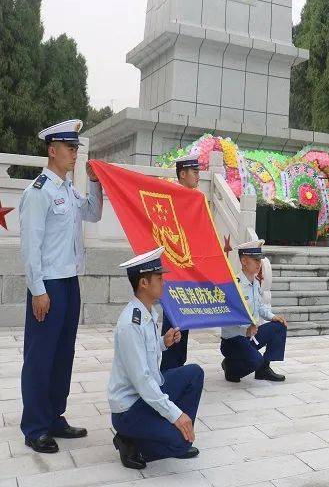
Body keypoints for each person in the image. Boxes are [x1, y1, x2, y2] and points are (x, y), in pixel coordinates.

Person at [19, 119, 103, 453]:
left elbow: (94, 214)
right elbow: (30, 246)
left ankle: (54, 416)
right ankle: (35, 426)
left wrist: (96, 184)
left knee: (62, 354)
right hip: (49, 284)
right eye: (70, 148)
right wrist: (37, 289)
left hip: (70, 282)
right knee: (40, 356)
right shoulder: (38, 192)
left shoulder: (68, 190)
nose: (74, 154)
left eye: (76, 149)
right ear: (52, 151)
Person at [108, 247, 204, 469]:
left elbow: (146, 354)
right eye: (159, 278)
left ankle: (169, 433)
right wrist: (175, 415)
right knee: (180, 442)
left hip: (146, 396)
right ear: (143, 283)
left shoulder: (149, 312)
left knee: (194, 373)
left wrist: (164, 342)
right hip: (129, 409)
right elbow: (142, 380)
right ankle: (129, 442)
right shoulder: (130, 324)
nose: (164, 283)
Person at [220, 240, 288, 383]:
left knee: (279, 327)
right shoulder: (234, 285)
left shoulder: (255, 282)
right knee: (254, 361)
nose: (259, 263)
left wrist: (273, 317)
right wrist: (245, 330)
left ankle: (263, 369)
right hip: (233, 341)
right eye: (255, 260)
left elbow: (260, 307)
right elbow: (227, 317)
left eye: (259, 260)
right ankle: (230, 367)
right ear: (244, 261)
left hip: (250, 336)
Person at [159, 153, 200, 371]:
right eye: (194, 172)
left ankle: (178, 365)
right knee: (173, 319)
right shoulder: (169, 198)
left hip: (189, 271)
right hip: (172, 270)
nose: (197, 176)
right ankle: (168, 368)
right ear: (182, 174)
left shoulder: (196, 200)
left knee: (185, 320)